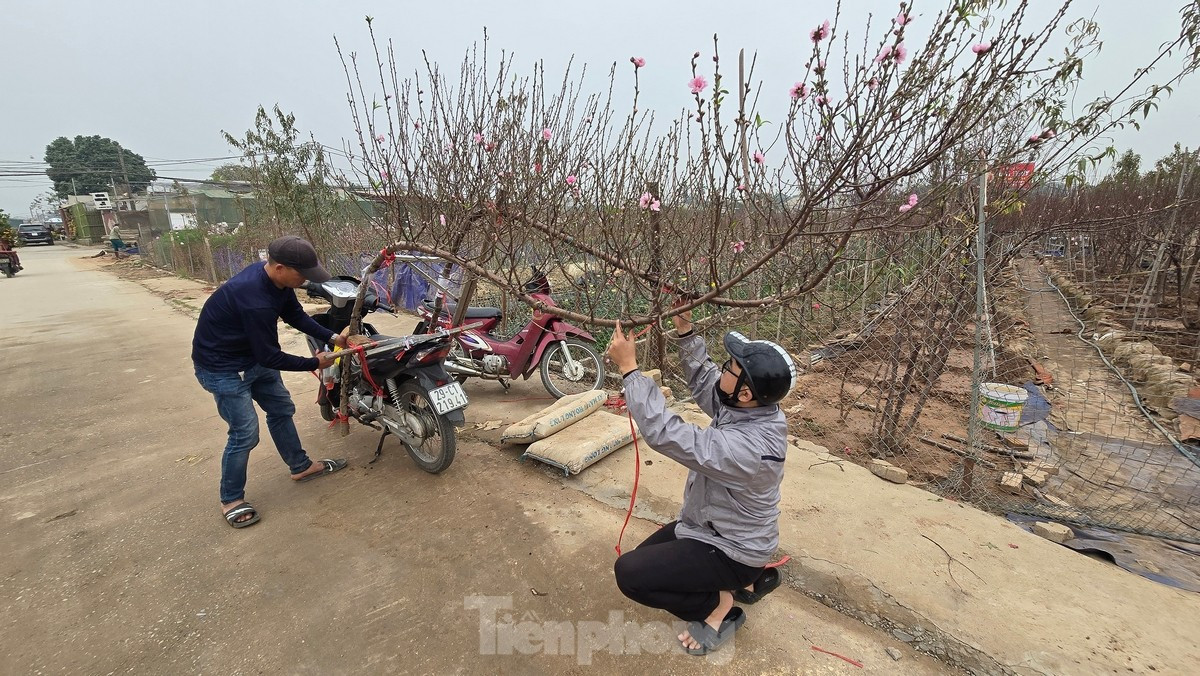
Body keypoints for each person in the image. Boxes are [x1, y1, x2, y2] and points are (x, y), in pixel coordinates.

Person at [608, 307, 796, 656]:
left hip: (733, 549)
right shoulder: (750, 408)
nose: (722, 369)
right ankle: (748, 582)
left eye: (730, 367)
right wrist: (686, 331)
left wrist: (630, 371)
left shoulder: (749, 449)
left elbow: (667, 434)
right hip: (708, 529)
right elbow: (705, 381)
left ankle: (719, 606)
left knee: (630, 575)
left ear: (745, 393)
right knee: (643, 559)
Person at [192, 235, 351, 529]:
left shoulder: (277, 282)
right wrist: (314, 363)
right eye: (301, 274)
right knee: (244, 433)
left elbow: (295, 315)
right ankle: (231, 499)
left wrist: (332, 337)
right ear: (280, 268)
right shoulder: (253, 300)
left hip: (252, 359)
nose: (305, 280)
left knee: (281, 410)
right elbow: (270, 356)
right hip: (223, 368)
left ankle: (300, 466)